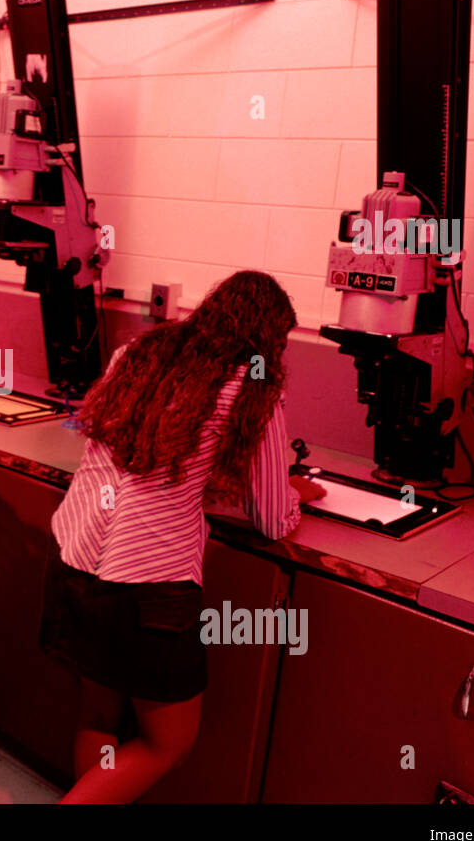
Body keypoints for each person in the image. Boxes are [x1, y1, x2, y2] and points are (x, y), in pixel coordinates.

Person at [40, 269, 326, 803]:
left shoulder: (138, 355)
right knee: (167, 742)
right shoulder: (251, 387)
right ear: (269, 339)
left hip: (73, 559)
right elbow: (268, 516)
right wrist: (296, 494)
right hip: (148, 586)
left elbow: (144, 456)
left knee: (100, 713)